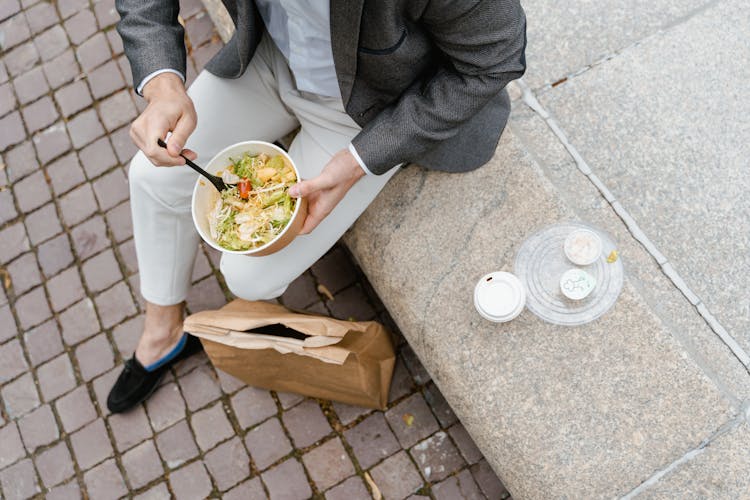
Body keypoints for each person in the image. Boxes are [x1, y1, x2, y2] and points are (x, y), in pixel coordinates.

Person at [107, 0, 527, 413]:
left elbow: (496, 58)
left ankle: (387, 158)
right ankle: (163, 330)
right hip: (270, 55)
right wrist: (162, 85)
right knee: (151, 175)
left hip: (373, 108)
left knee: (248, 277)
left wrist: (363, 158)